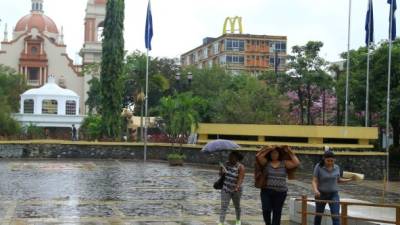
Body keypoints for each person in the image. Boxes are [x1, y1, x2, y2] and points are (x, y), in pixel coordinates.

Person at [256, 146, 300, 225]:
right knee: (266, 209)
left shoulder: (284, 163)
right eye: (272, 153)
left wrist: (290, 152)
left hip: (280, 192)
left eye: (276, 153)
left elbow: (296, 163)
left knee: (277, 211)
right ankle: (268, 223)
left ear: (279, 154)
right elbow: (259, 157)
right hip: (266, 191)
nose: (274, 155)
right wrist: (269, 149)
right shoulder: (266, 163)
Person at [312, 150, 354, 225]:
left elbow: (338, 180)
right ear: (324, 159)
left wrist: (350, 179)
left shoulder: (337, 167)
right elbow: (314, 180)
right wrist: (315, 190)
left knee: (335, 216)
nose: (330, 162)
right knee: (319, 215)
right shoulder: (318, 166)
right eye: (328, 161)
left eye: (332, 161)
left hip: (333, 194)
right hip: (321, 194)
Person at [218, 151, 245, 225]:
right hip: (226, 188)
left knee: (237, 206)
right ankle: (221, 222)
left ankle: (238, 220)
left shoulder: (240, 167)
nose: (229, 158)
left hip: (236, 190)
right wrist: (221, 170)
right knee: (223, 206)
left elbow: (240, 179)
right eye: (229, 156)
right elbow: (220, 175)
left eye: (231, 157)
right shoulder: (226, 164)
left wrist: (237, 187)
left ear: (236, 158)